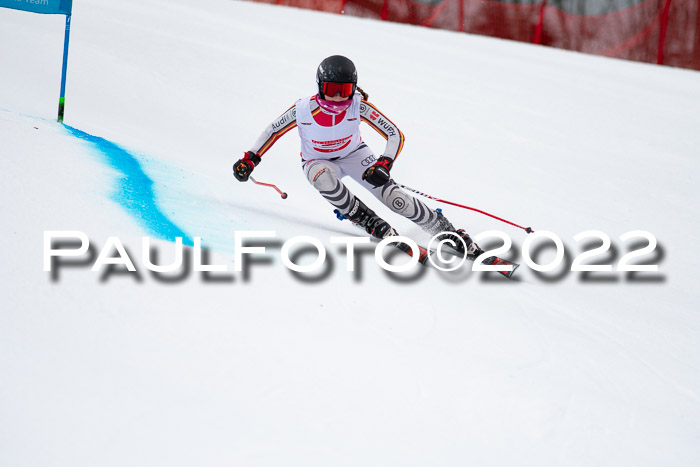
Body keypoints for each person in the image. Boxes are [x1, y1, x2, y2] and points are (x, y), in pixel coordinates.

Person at [234, 55, 481, 260]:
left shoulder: (358, 106)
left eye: (345, 91)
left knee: (396, 199)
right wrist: (251, 159)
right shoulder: (303, 109)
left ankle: (446, 232)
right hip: (316, 161)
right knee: (324, 180)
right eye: (332, 90)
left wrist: (384, 163)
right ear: (320, 87)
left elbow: (394, 134)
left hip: (354, 154)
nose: (339, 98)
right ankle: (367, 220)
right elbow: (273, 130)